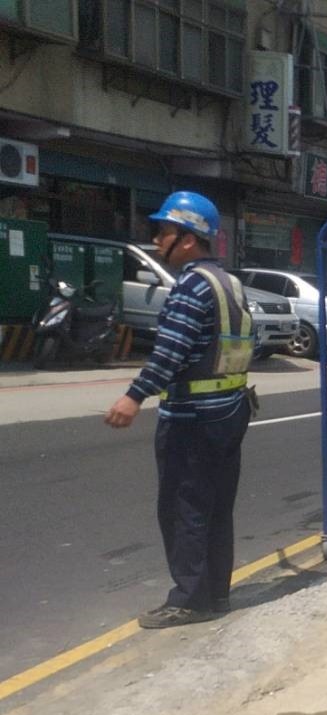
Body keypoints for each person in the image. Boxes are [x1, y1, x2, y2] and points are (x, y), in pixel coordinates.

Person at [104, 190, 255, 628]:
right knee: (216, 507)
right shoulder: (230, 283)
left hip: (193, 417)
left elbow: (170, 352)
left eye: (164, 232)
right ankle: (215, 595)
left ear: (188, 240)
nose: (156, 241)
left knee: (183, 507)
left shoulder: (191, 287)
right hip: (230, 410)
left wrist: (133, 396)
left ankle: (188, 600)